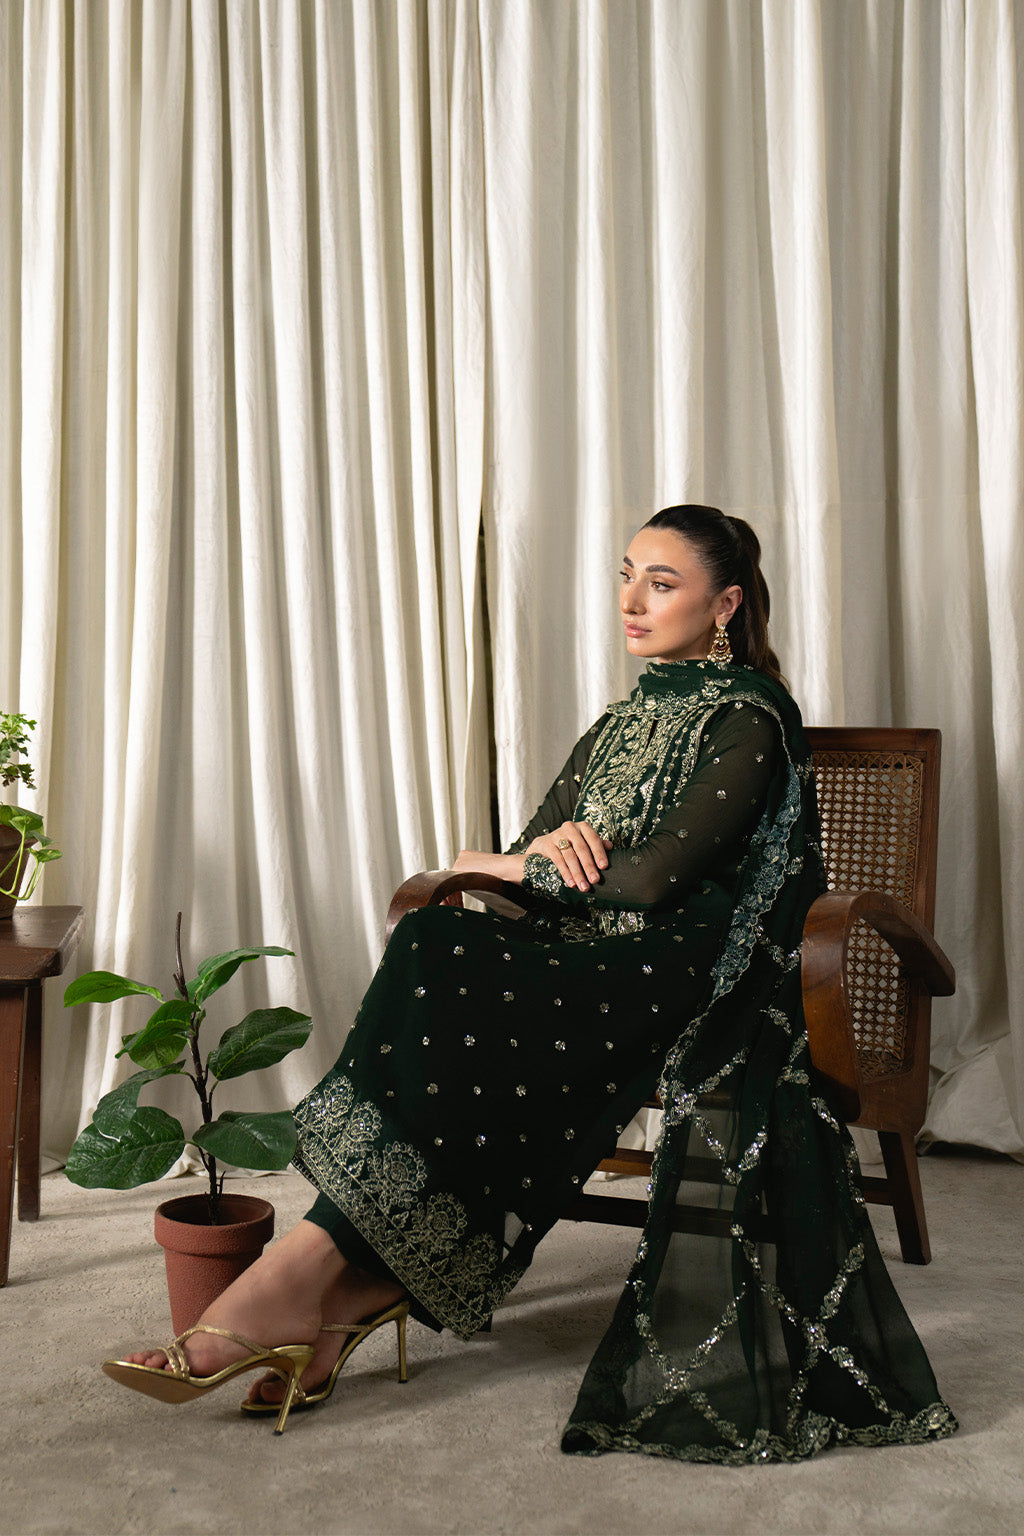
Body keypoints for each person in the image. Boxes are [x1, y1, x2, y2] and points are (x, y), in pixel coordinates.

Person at [103, 505, 957, 1461]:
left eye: (662, 584)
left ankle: (294, 1291)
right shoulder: (624, 721)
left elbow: (648, 881)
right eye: (626, 576)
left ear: (725, 606)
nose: (632, 601)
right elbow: (531, 855)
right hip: (599, 950)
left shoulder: (750, 719)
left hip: (693, 976)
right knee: (435, 939)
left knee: (445, 957)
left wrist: (505, 862)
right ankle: (334, 1293)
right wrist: (526, 856)